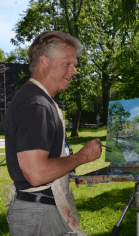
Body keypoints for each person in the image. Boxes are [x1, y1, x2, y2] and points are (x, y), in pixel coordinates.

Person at [4, 31, 102, 236]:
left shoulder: (38, 99)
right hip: (39, 217)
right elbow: (37, 173)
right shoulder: (36, 104)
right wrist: (82, 157)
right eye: (67, 64)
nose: (74, 71)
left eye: (74, 65)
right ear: (44, 62)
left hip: (41, 211)